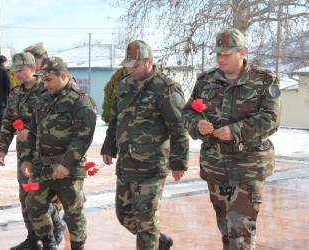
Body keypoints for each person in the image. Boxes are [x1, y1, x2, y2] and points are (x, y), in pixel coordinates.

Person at [183, 28, 282, 249]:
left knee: (240, 233)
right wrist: (197, 125)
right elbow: (188, 112)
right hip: (215, 166)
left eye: (226, 53)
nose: (221, 58)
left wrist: (236, 131)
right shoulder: (206, 80)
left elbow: (271, 119)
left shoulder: (264, 79)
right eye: (218, 53)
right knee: (226, 231)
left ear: (242, 53)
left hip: (249, 166)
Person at [101, 40, 189, 250]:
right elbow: (115, 118)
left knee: (146, 223)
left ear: (149, 62)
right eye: (128, 65)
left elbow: (179, 127)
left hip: (152, 165)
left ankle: (151, 239)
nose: (131, 70)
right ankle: (159, 241)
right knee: (124, 215)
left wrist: (179, 162)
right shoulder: (124, 85)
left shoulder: (166, 88)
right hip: (126, 164)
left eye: (136, 65)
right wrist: (109, 147)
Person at [20, 57, 97, 250]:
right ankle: (49, 244)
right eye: (43, 80)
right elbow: (34, 131)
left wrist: (66, 164)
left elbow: (83, 137)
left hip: (68, 170)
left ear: (62, 75)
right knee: (34, 204)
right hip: (42, 167)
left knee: (74, 213)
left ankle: (78, 247)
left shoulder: (80, 100)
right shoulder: (43, 100)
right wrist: (27, 158)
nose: (45, 84)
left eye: (49, 80)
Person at [0, 52, 66, 250]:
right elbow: (8, 122)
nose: (16, 74)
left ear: (33, 69)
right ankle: (33, 237)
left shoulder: (47, 90)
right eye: (14, 70)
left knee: (40, 197)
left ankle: (56, 226)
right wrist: (2, 148)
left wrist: (33, 132)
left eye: (20, 70)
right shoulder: (15, 92)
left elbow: (55, 122)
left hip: (44, 154)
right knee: (24, 196)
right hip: (23, 154)